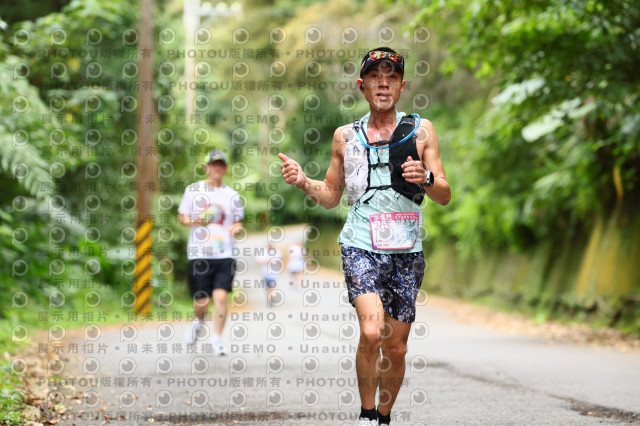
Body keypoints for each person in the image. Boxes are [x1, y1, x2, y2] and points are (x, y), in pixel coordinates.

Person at [278, 47, 451, 426]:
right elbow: (331, 195)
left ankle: (384, 417)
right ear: (362, 86)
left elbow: (444, 194)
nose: (383, 83)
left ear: (402, 87)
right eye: (375, 76)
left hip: (407, 250)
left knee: (397, 347)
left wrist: (427, 178)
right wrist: (304, 181)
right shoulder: (345, 137)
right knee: (372, 331)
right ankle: (367, 414)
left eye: (391, 77)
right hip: (360, 244)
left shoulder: (421, 130)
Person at [177, 149, 244, 356]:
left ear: (226, 168)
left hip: (225, 254)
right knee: (202, 301)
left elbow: (237, 222)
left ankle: (216, 340)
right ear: (207, 167)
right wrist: (194, 221)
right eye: (214, 164)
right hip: (199, 253)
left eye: (221, 164)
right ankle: (199, 322)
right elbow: (182, 217)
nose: (217, 168)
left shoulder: (232, 195)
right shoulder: (193, 190)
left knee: (221, 296)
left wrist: (236, 229)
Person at [256, 242, 283, 306]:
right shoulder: (263, 253)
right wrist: (266, 262)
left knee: (272, 286)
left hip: (273, 274)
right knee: (268, 287)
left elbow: (280, 261)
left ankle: (271, 299)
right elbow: (258, 262)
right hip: (265, 273)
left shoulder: (277, 252)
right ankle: (270, 298)